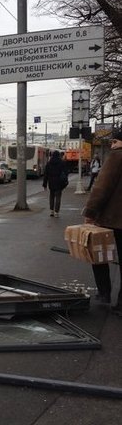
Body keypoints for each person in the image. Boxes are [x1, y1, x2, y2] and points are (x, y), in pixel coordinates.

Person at [82, 128, 122, 314]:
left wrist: (90, 212)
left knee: (99, 254)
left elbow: (102, 186)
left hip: (113, 218)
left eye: (114, 141)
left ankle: (104, 292)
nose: (112, 145)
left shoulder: (117, 157)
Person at [42, 150, 68, 217]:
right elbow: (66, 173)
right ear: (59, 155)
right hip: (59, 182)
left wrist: (44, 184)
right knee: (58, 197)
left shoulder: (49, 163)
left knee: (52, 196)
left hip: (51, 182)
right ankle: (56, 212)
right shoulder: (62, 163)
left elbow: (46, 175)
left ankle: (51, 211)